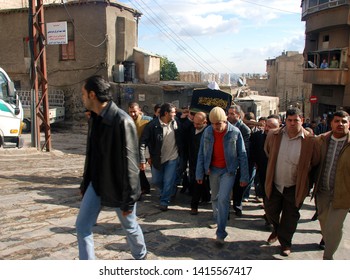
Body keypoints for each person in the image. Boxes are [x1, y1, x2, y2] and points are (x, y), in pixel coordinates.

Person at [76, 75, 147, 260]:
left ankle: (141, 256)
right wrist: (85, 184)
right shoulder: (95, 118)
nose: (81, 98)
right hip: (96, 184)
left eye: (83, 94)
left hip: (118, 186)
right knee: (82, 226)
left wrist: (130, 200)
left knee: (129, 226)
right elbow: (91, 156)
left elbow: (131, 167)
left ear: (92, 95)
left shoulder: (122, 121)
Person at [264, 107, 319, 257]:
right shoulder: (274, 135)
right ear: (285, 121)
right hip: (275, 183)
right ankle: (276, 229)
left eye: (296, 120)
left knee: (290, 217)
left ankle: (285, 243)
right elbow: (268, 151)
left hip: (295, 186)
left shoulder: (310, 140)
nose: (293, 123)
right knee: (270, 210)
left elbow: (314, 162)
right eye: (290, 120)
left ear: (302, 120)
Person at [196, 107, 249, 247]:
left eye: (218, 124)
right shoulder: (207, 132)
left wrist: (244, 176)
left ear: (225, 120)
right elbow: (202, 153)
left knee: (223, 199)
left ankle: (221, 233)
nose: (216, 127)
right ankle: (218, 218)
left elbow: (242, 155)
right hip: (213, 170)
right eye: (213, 124)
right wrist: (199, 173)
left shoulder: (235, 132)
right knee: (214, 197)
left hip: (228, 171)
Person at [313, 110, 350, 260]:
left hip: (342, 193)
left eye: (344, 121)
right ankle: (330, 246)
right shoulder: (321, 140)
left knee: (334, 226)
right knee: (324, 222)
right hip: (322, 191)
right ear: (331, 123)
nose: (340, 124)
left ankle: (328, 257)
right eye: (337, 121)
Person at [140, 102, 183, 211]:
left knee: (168, 180)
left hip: (172, 158)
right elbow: (143, 142)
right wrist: (145, 158)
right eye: (173, 112)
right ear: (166, 113)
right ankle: (169, 191)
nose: (175, 114)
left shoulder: (176, 122)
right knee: (156, 181)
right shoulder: (152, 125)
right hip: (157, 159)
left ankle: (164, 201)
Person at [250, 115, 280, 225]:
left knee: (274, 195)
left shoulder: (281, 138)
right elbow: (252, 151)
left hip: (278, 172)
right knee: (266, 193)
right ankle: (269, 214)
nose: (267, 128)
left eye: (271, 127)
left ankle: (271, 216)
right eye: (266, 126)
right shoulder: (257, 136)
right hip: (263, 170)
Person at [227, 105, 252, 216]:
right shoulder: (226, 126)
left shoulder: (244, 129)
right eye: (229, 113)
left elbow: (244, 149)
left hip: (239, 162)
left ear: (238, 115)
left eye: (232, 114)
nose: (229, 116)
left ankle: (237, 205)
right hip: (227, 162)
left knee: (238, 186)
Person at [128, 102, 153, 194]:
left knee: (141, 170)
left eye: (134, 111)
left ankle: (144, 187)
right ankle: (144, 187)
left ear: (139, 110)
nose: (132, 114)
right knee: (138, 171)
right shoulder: (127, 120)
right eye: (130, 112)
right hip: (132, 150)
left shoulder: (147, 120)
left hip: (145, 149)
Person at [189, 111, 210, 215]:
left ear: (205, 122)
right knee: (197, 181)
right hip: (193, 161)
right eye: (194, 123)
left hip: (203, 162)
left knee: (198, 182)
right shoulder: (191, 129)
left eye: (198, 124)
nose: (195, 125)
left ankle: (194, 206)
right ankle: (206, 198)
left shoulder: (209, 132)